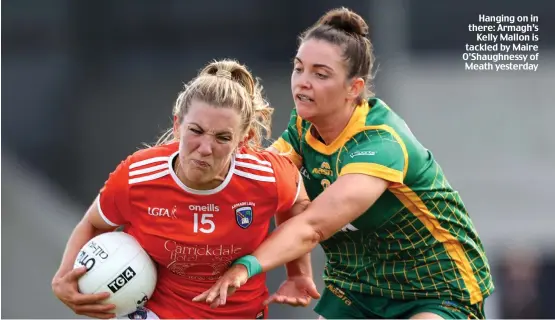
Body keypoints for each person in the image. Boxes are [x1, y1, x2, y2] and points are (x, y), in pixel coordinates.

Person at [193, 8, 495, 320]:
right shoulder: (303, 128)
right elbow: (271, 181)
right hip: (357, 288)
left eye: (320, 74)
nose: (303, 83)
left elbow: (313, 226)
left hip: (436, 288)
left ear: (354, 88)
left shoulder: (381, 143)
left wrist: (246, 266)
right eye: (299, 69)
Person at [51, 59, 320, 319]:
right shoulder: (138, 176)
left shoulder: (265, 175)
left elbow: (299, 207)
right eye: (196, 130)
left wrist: (298, 273)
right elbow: (95, 224)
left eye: (223, 137)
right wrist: (63, 278)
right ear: (178, 125)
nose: (205, 148)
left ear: (243, 139)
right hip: (157, 312)